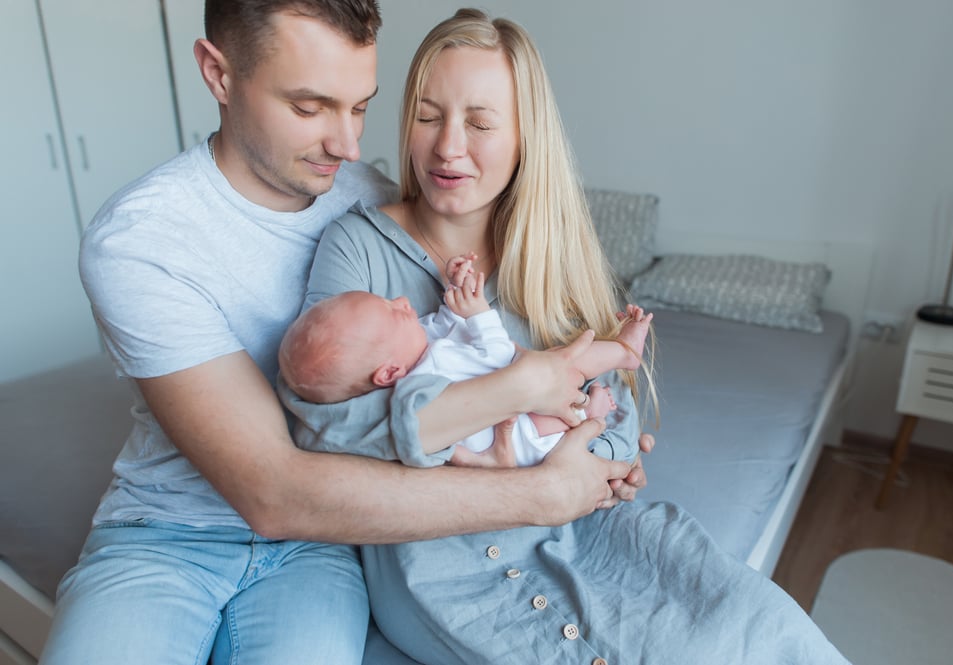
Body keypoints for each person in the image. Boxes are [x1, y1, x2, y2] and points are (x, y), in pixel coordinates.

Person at [39, 2, 653, 664]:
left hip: (325, 544)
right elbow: (272, 492)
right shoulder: (141, 238)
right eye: (311, 107)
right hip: (168, 531)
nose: (349, 144)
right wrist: (538, 492)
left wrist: (594, 433)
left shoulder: (365, 194)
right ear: (218, 74)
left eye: (361, 107)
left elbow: (456, 364)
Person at [283, 8, 850, 664]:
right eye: (428, 115)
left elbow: (613, 422)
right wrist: (516, 400)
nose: (447, 147)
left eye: (481, 122)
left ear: (526, 135)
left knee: (763, 629)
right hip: (447, 567)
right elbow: (321, 430)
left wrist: (600, 463)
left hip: (594, 539)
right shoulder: (357, 249)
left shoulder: (554, 258)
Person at [279, 254, 654, 466]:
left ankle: (604, 391)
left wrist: (456, 295)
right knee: (565, 366)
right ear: (389, 373)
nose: (404, 302)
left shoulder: (415, 346)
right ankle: (619, 361)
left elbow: (444, 327)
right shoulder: (423, 384)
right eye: (395, 312)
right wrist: (477, 313)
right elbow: (499, 356)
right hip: (521, 436)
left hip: (521, 407)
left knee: (557, 368)